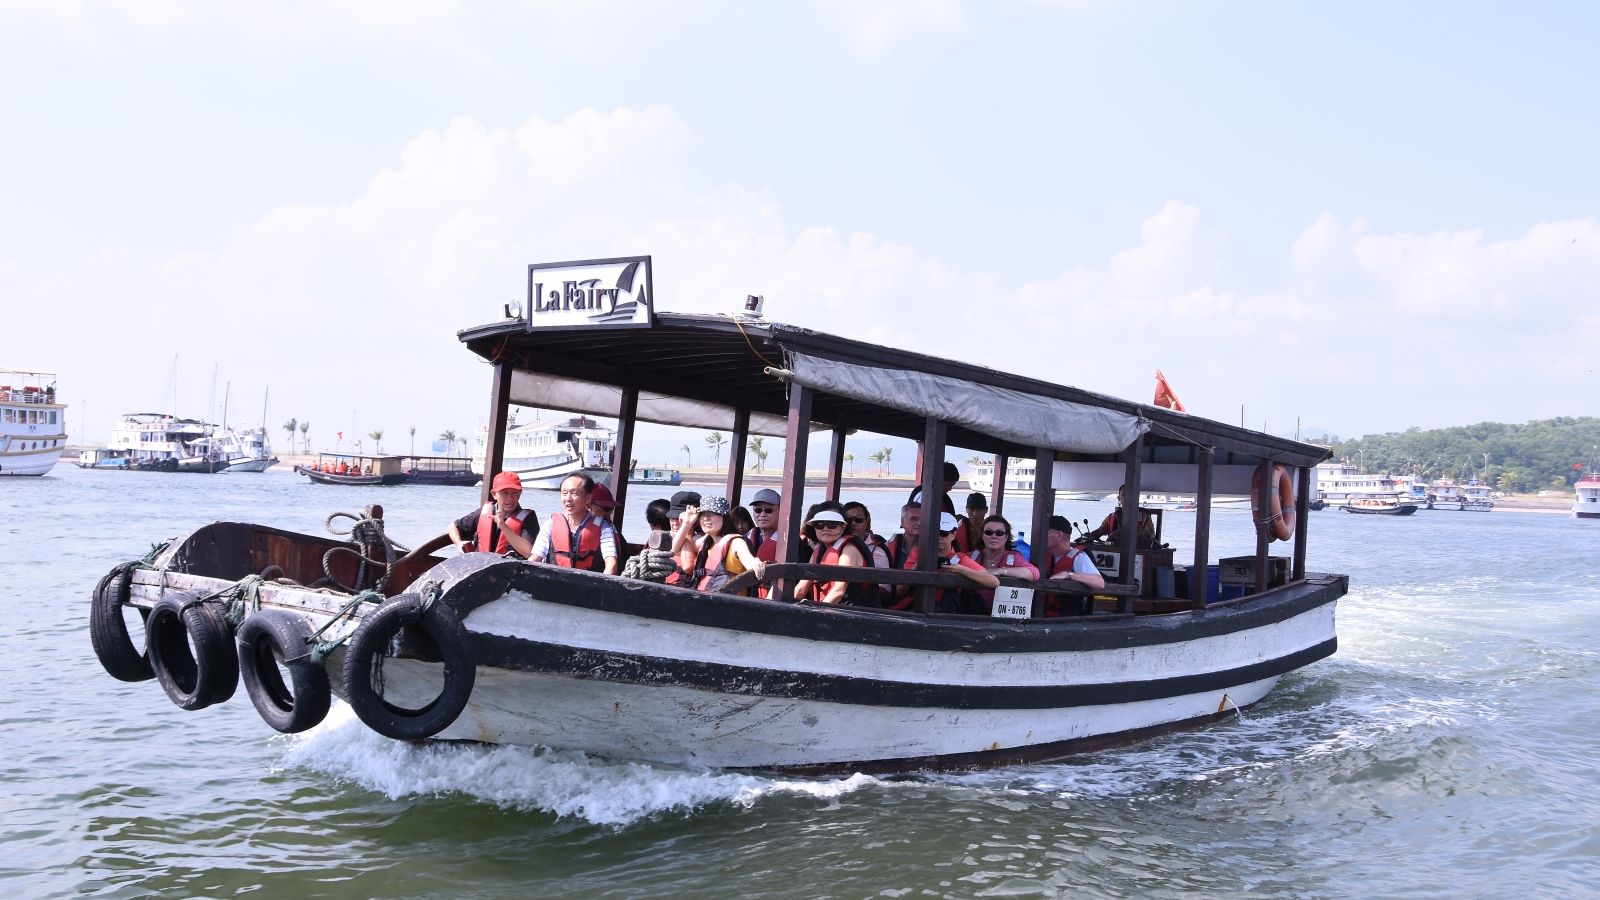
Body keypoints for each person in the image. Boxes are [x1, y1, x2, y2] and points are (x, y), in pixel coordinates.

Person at [888, 512, 997, 613]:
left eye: (943, 534)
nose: (939, 538)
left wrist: (960, 569)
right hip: (916, 609)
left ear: (953, 535)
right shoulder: (918, 555)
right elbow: (900, 591)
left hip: (946, 612)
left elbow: (993, 582)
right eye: (936, 533)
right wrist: (916, 568)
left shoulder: (959, 560)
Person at [671, 495, 766, 594]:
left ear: (724, 517)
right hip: (706, 601)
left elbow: (749, 561)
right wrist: (687, 523)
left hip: (729, 604)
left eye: (713, 513)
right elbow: (674, 550)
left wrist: (755, 562)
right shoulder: (705, 543)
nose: (706, 518)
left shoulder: (736, 542)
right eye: (703, 515)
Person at [527, 473, 620, 574]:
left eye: (574, 494)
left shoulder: (603, 528)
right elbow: (535, 558)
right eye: (564, 493)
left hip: (590, 586)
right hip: (554, 584)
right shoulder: (550, 525)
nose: (568, 498)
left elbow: (611, 564)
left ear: (588, 498)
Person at [792, 506, 876, 605]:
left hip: (855, 612)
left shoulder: (849, 550)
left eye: (832, 525)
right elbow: (801, 588)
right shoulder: (818, 551)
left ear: (843, 527)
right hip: (828, 609)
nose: (825, 529)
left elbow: (838, 591)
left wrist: (817, 612)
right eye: (819, 525)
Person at [448, 471, 539, 558]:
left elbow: (529, 553)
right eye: (504, 493)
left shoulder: (529, 518)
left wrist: (503, 526)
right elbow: (453, 526)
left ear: (520, 494)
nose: (510, 498)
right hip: (480, 567)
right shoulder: (482, 513)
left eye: (514, 493)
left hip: (511, 571)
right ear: (494, 494)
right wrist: (458, 543)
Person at [1040, 514, 1105, 615]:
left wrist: (1068, 575)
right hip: (1042, 617)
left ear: (1059, 535)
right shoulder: (1041, 556)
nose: (1040, 534)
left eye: (1044, 530)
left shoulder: (1079, 558)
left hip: (1067, 622)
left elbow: (1099, 583)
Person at [971, 515, 1040, 599]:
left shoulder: (1013, 558)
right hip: (972, 609)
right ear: (982, 535)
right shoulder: (973, 556)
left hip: (999, 610)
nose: (994, 536)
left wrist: (1000, 571)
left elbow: (1034, 573)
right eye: (988, 532)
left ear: (1006, 537)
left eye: (999, 533)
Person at [1085, 485, 1156, 547]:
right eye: (1124, 494)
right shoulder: (1111, 517)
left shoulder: (1144, 517)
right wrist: (1089, 536)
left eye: (1131, 494)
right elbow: (1100, 531)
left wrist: (1133, 533)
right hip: (1112, 552)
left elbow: (1151, 534)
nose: (1127, 497)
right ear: (1119, 498)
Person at [885, 500, 921, 568]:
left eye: (923, 519)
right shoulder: (887, 547)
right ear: (902, 522)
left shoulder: (932, 549)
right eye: (913, 519)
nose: (919, 523)